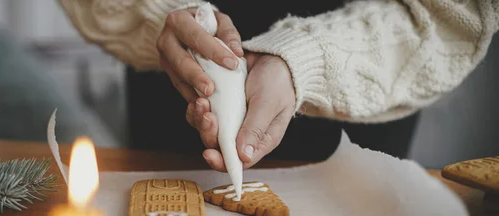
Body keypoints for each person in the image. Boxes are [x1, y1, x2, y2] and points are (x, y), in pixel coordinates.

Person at [59, 0, 498, 170]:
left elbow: (454, 15)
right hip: (177, 88)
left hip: (357, 113)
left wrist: (301, 60)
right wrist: (168, 18)